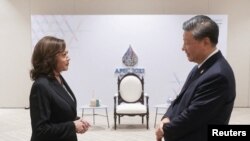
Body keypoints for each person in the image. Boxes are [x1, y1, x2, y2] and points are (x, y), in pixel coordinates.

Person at [155, 15, 236, 141]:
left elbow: (192, 117)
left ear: (206, 42)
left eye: (187, 43)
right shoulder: (200, 67)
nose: (182, 48)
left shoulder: (218, 75)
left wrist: (164, 129)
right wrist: (167, 117)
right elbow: (180, 99)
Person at [29, 36, 90, 141]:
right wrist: (72, 126)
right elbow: (40, 130)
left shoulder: (58, 77)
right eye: (64, 54)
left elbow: (57, 113)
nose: (68, 57)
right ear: (50, 58)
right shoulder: (40, 86)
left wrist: (78, 121)